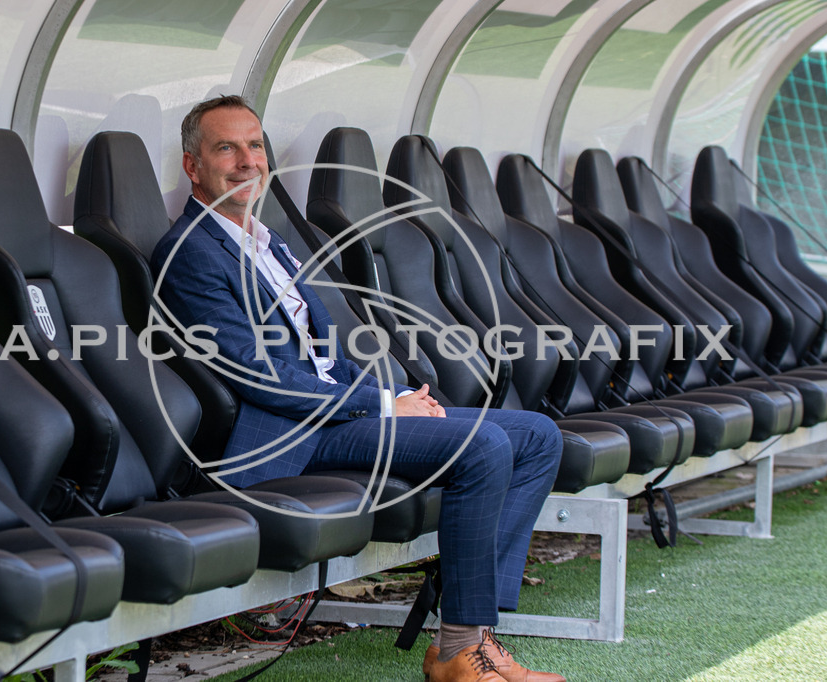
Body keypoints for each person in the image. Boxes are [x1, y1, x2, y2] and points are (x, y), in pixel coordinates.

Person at [152, 95, 566, 682]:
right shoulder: (191, 252)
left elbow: (321, 356)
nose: (247, 161)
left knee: (539, 436)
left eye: (255, 145)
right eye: (226, 148)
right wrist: (385, 405)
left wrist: (400, 398)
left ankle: (473, 638)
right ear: (193, 166)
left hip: (336, 413)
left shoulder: (268, 243)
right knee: (482, 446)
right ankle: (458, 650)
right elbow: (258, 374)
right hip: (291, 434)